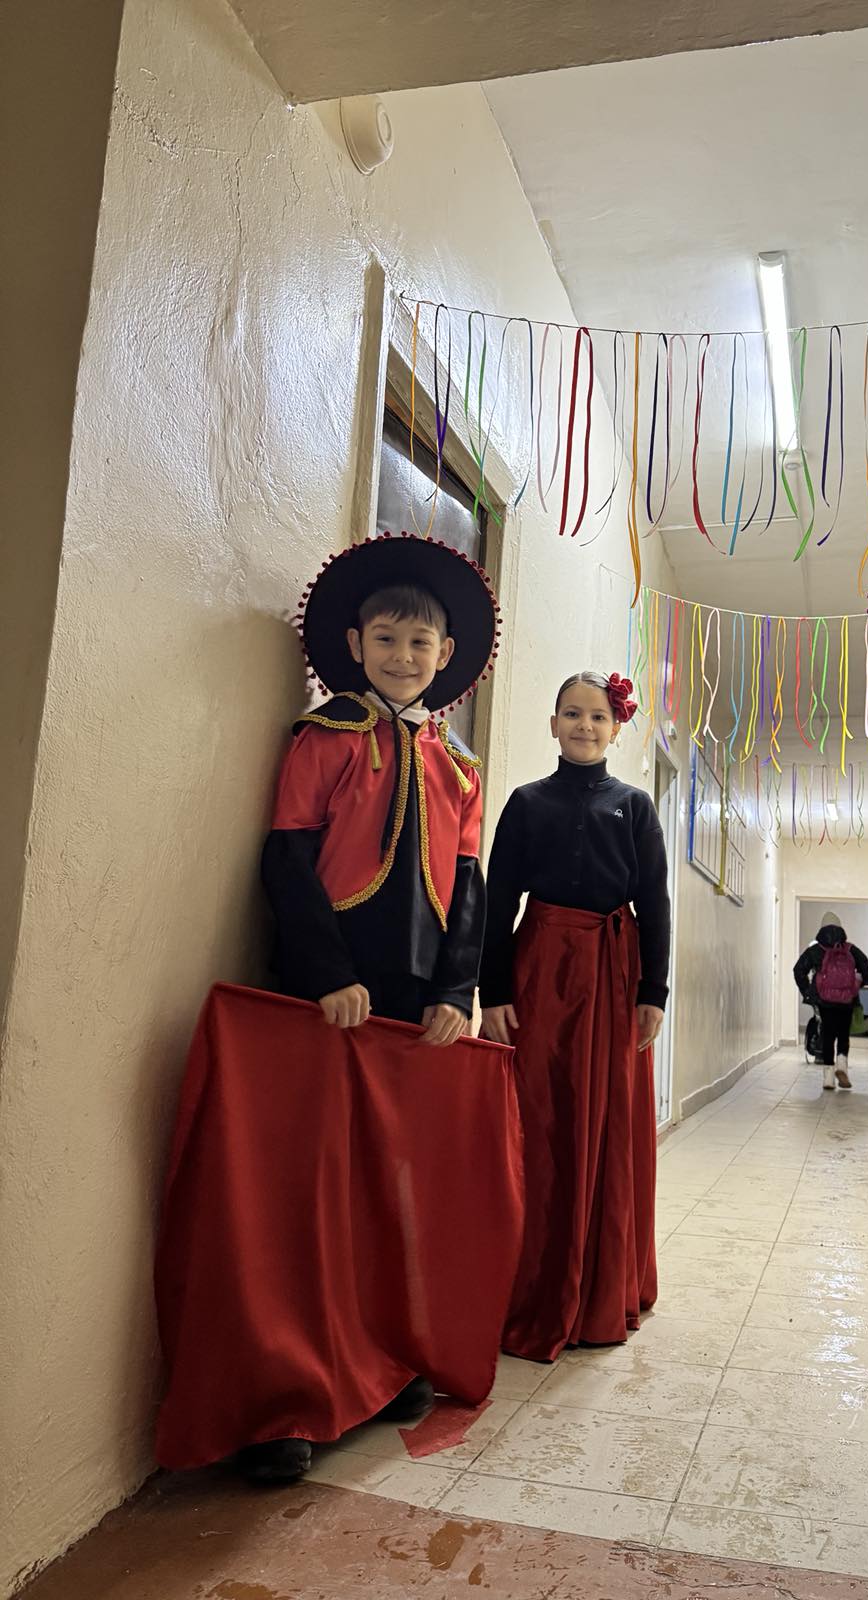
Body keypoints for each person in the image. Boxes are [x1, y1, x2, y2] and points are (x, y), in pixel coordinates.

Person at [247, 529, 500, 1481]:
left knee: (397, 1183)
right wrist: (324, 973)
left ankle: (386, 1360)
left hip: (414, 1004)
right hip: (328, 995)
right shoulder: (324, 737)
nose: (402, 656)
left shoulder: (460, 766)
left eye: (419, 643)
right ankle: (294, 1390)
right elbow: (287, 857)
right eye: (386, 638)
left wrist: (456, 990)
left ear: (446, 656)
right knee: (312, 1184)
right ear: (355, 644)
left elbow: (467, 888)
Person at [479, 670, 670, 1362]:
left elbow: (656, 902)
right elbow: (498, 902)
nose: (584, 726)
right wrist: (492, 991)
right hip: (540, 970)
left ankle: (599, 1286)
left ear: (616, 729)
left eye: (597, 716)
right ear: (553, 723)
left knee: (609, 1119)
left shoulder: (636, 806)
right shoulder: (526, 803)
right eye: (571, 714)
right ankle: (529, 1282)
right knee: (538, 1116)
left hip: (615, 975)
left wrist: (654, 992)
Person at [793, 913, 868, 1090]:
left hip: (824, 1000)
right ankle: (842, 1064)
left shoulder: (816, 950)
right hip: (847, 999)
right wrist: (856, 985)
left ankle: (828, 1077)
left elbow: (798, 970)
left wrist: (808, 992)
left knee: (828, 1035)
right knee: (843, 1034)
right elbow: (867, 968)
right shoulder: (850, 949)